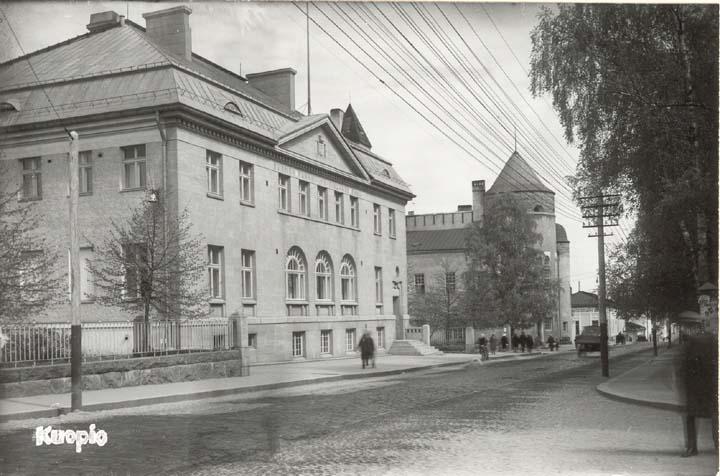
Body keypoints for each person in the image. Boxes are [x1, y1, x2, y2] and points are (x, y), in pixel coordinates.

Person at [674, 330, 718, 456]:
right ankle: (716, 445)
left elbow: (683, 368)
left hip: (697, 388)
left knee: (691, 418)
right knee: (714, 417)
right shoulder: (712, 341)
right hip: (708, 387)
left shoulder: (692, 344)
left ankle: (692, 448)